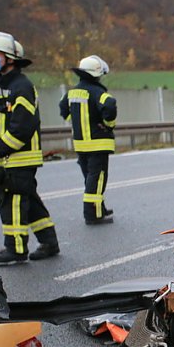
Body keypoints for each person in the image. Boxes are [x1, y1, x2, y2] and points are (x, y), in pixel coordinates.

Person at [0, 30, 59, 264]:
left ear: (10, 59)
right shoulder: (1, 84)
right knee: (28, 200)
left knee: (10, 199)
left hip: (19, 156)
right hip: (10, 156)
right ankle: (49, 242)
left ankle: (15, 249)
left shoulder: (22, 87)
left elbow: (22, 127)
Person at [59, 55, 117, 225]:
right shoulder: (98, 92)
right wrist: (108, 125)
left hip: (80, 144)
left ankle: (100, 208)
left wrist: (75, 120)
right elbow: (110, 105)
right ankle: (92, 215)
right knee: (97, 179)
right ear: (96, 74)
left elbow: (63, 108)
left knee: (90, 179)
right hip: (97, 143)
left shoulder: (72, 92)